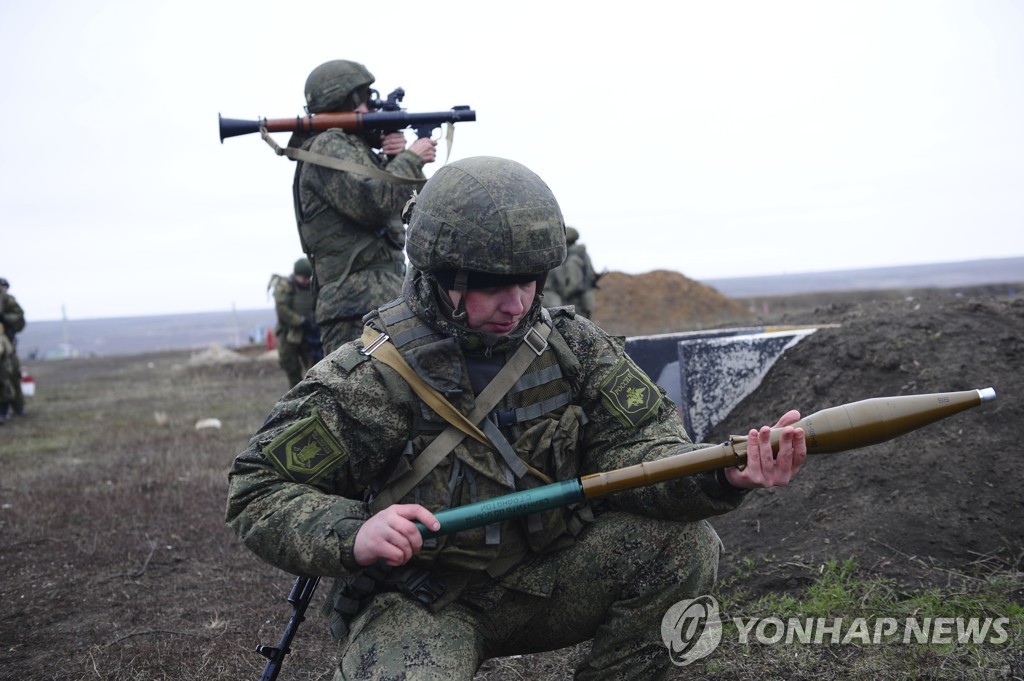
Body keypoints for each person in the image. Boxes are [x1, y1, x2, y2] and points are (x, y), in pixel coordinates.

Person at [226, 157, 806, 680]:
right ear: (440, 275)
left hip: (546, 579)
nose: (517, 304)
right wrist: (355, 533)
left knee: (685, 548)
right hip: (423, 602)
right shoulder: (368, 377)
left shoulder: (572, 347)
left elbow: (642, 447)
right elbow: (259, 488)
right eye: (491, 286)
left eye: (529, 281)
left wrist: (720, 474)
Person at [289, 59, 437, 354]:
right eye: (367, 102)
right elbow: (373, 203)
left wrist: (395, 161)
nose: (373, 109)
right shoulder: (329, 145)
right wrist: (411, 158)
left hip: (379, 299)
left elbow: (412, 212)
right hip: (356, 306)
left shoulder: (356, 151)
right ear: (346, 101)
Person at [270, 258, 324, 388]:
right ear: (296, 275)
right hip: (288, 335)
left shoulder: (313, 288)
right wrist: (300, 321)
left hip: (309, 336)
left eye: (308, 277)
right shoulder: (285, 288)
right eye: (303, 277)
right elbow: (282, 310)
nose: (306, 281)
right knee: (292, 370)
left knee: (315, 370)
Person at [544, 226, 600, 317]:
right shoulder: (582, 253)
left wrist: (564, 294)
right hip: (584, 299)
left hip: (577, 302)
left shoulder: (573, 259)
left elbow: (574, 283)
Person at [0, 277, 27, 421]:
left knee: (11, 375)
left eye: (5, 286)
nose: (3, 288)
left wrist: (5, 318)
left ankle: (17, 407)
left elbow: (19, 319)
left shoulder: (8, 301)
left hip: (6, 345)